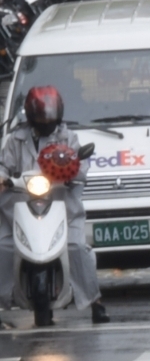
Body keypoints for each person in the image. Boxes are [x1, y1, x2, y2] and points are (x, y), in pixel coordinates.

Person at [0, 87, 110, 325]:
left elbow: (80, 165)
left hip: (61, 204)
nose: (46, 122)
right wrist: (2, 178)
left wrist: (72, 173)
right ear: (30, 116)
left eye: (50, 117)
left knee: (75, 247)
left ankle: (95, 301)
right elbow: (4, 166)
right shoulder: (15, 140)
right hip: (21, 205)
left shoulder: (68, 138)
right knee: (4, 247)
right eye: (41, 117)